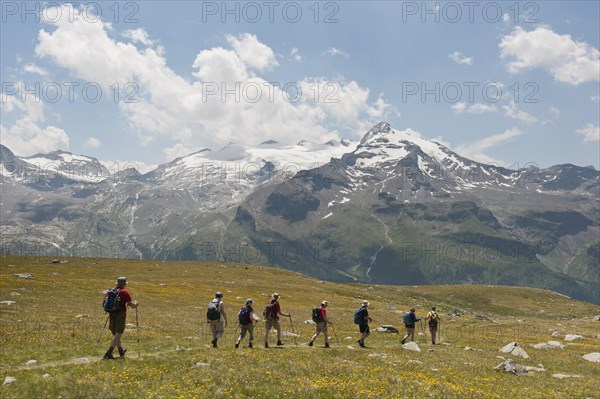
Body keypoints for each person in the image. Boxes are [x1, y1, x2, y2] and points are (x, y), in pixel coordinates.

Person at [103, 277, 138, 359]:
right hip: (121, 314)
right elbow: (131, 304)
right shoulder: (124, 292)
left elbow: (104, 302)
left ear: (117, 283)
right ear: (125, 284)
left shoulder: (111, 291)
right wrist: (136, 304)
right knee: (118, 333)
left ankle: (120, 350)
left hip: (111, 313)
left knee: (115, 334)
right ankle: (109, 352)